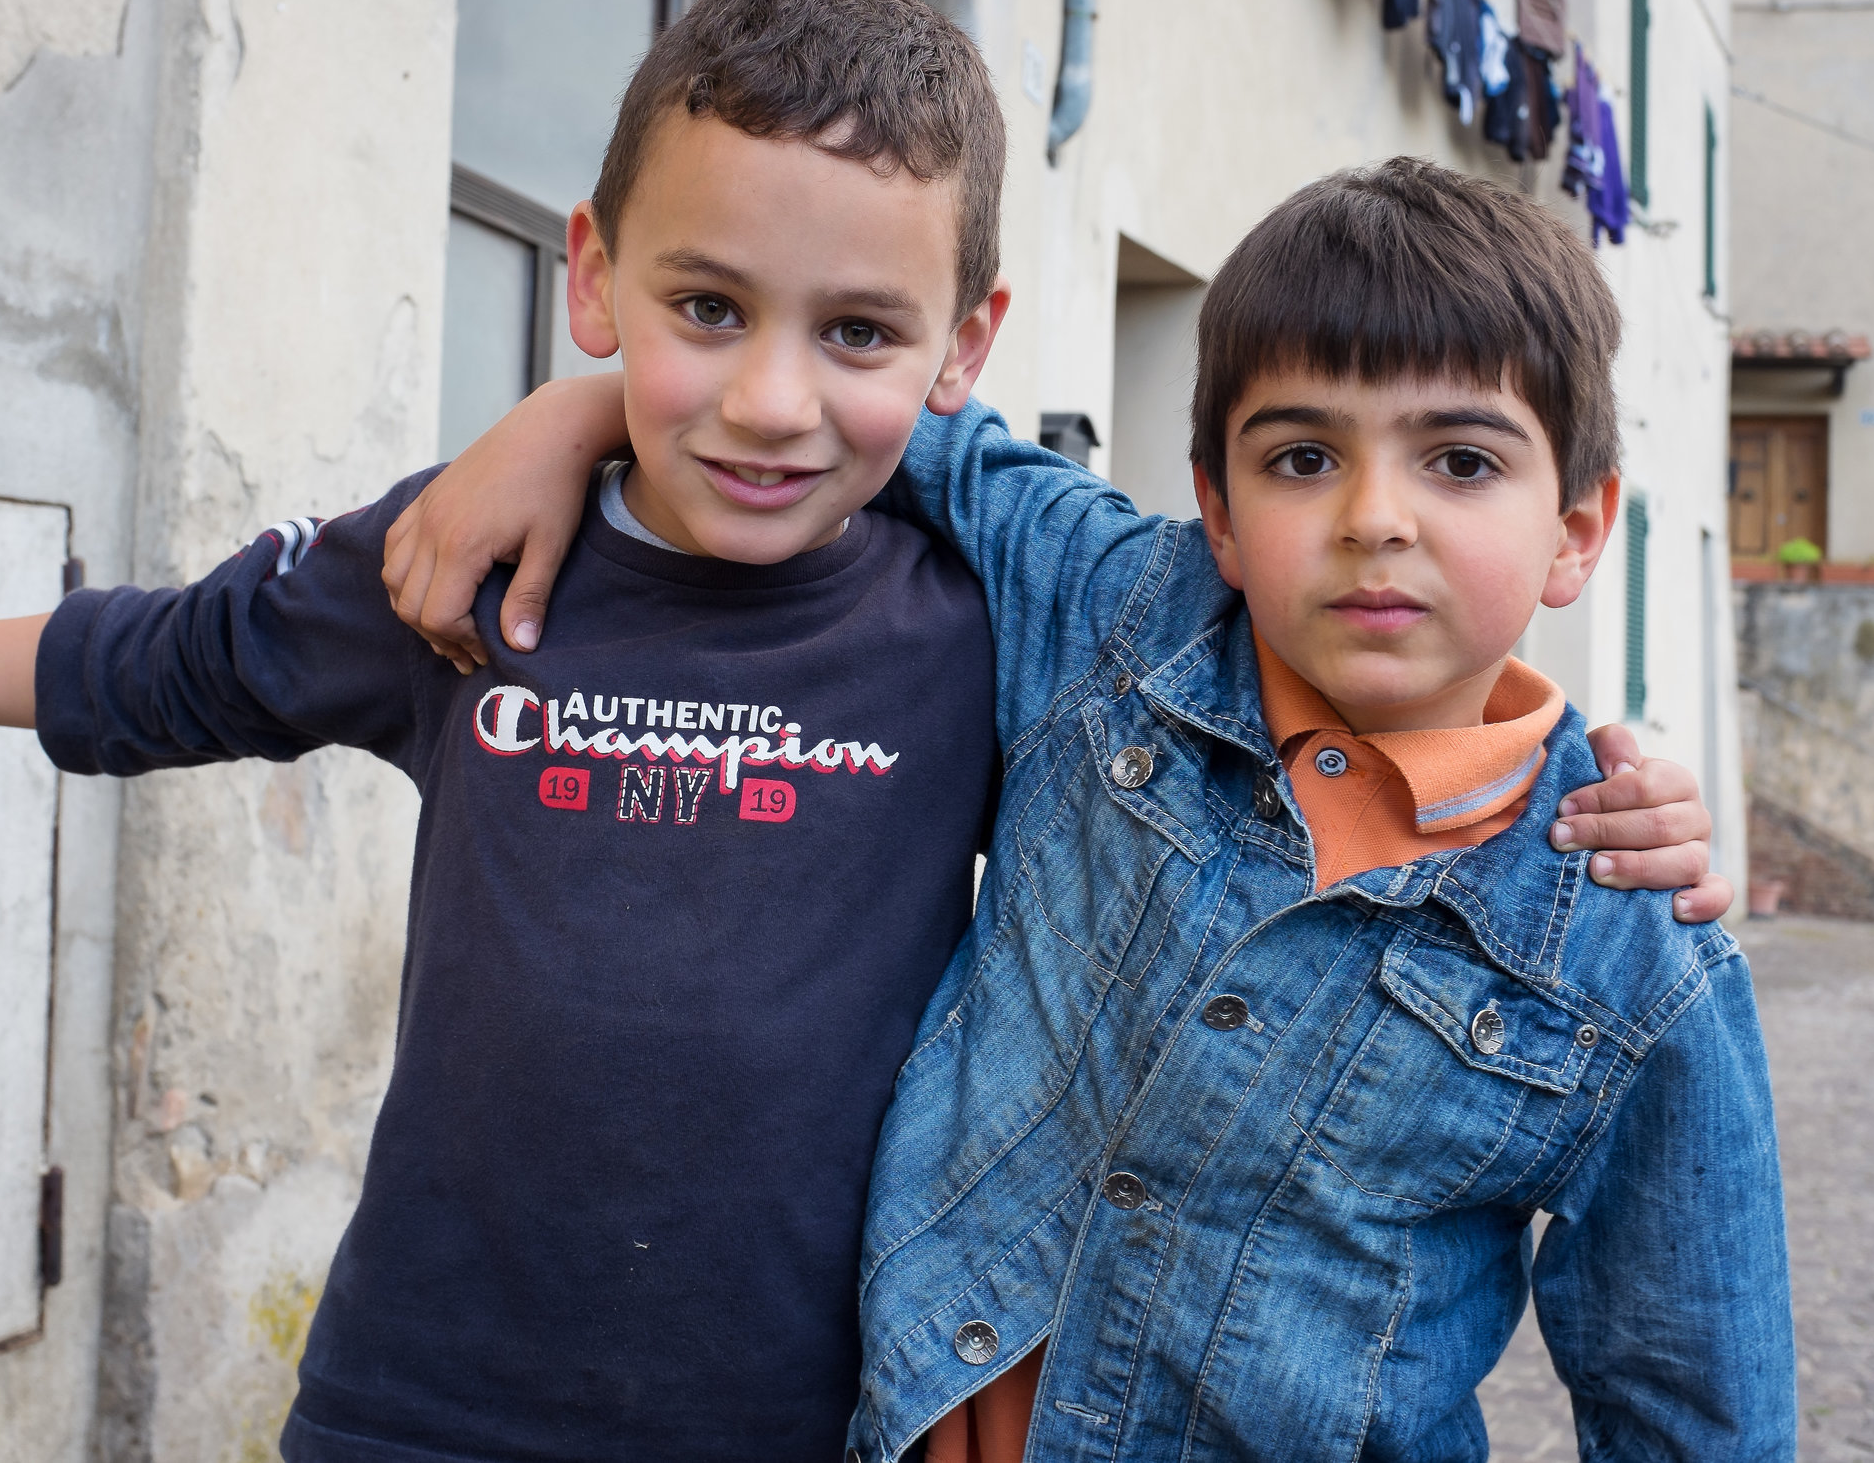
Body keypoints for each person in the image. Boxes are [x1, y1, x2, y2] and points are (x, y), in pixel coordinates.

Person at [0, 0, 1726, 1462]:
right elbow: (162, 662)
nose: (773, 398)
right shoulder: (464, 568)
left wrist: (1618, 784)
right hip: (417, 1407)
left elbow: (1350, 644)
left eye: (855, 332)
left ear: (962, 349)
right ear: (590, 271)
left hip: (805, 1413)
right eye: (703, 311)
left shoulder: (990, 619)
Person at [394, 157, 1792, 1458]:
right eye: (1304, 457)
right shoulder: (1122, 616)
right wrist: (574, 411)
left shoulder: (1636, 948)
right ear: (1221, 513)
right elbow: (891, 420)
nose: (1377, 515)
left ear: (1579, 527)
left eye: (1462, 461)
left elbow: (1692, 1404)